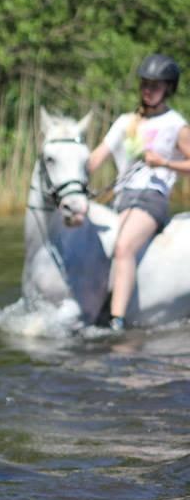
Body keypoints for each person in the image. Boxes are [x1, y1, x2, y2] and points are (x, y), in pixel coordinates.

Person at [86, 53, 190, 330]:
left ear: (168, 88)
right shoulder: (125, 122)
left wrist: (165, 162)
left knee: (123, 247)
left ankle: (116, 320)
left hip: (151, 198)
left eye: (155, 85)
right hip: (122, 199)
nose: (148, 90)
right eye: (145, 84)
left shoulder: (176, 124)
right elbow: (96, 159)